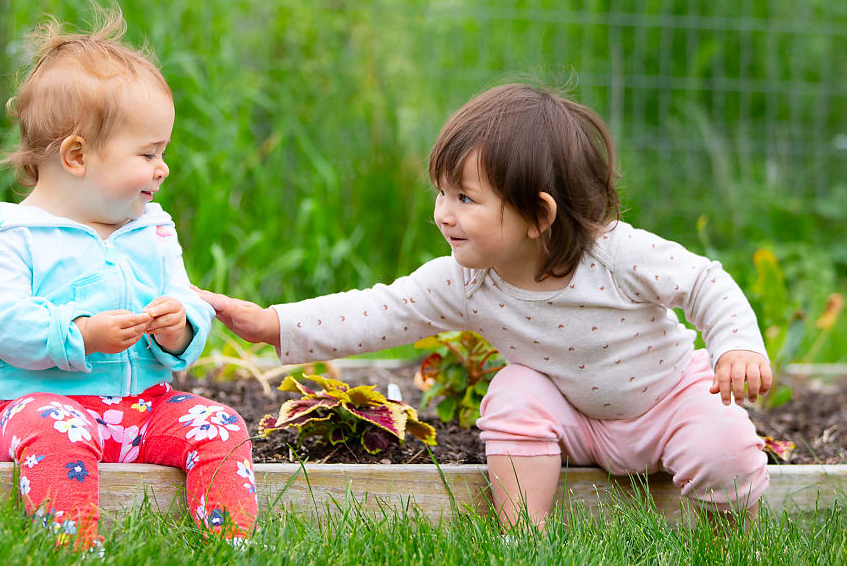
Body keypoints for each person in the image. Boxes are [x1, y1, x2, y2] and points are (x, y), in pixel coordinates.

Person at [198, 83, 772, 529]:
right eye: (442, 192)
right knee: (517, 392)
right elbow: (383, 310)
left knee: (721, 447)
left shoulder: (616, 254)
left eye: (466, 198)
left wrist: (737, 344)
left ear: (539, 216)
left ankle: (731, 533)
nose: (443, 213)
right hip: (575, 421)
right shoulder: (469, 280)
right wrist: (274, 324)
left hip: (667, 401)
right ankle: (525, 532)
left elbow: (704, 282)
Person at [0, 6, 256, 550]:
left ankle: (230, 544)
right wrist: (81, 334)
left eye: (163, 152)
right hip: (42, 404)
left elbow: (188, 299)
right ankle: (75, 547)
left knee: (220, 424)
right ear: (76, 155)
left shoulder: (152, 230)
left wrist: (178, 326)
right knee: (56, 429)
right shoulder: (15, 236)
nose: (163, 167)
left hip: (145, 409)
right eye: (148, 152)